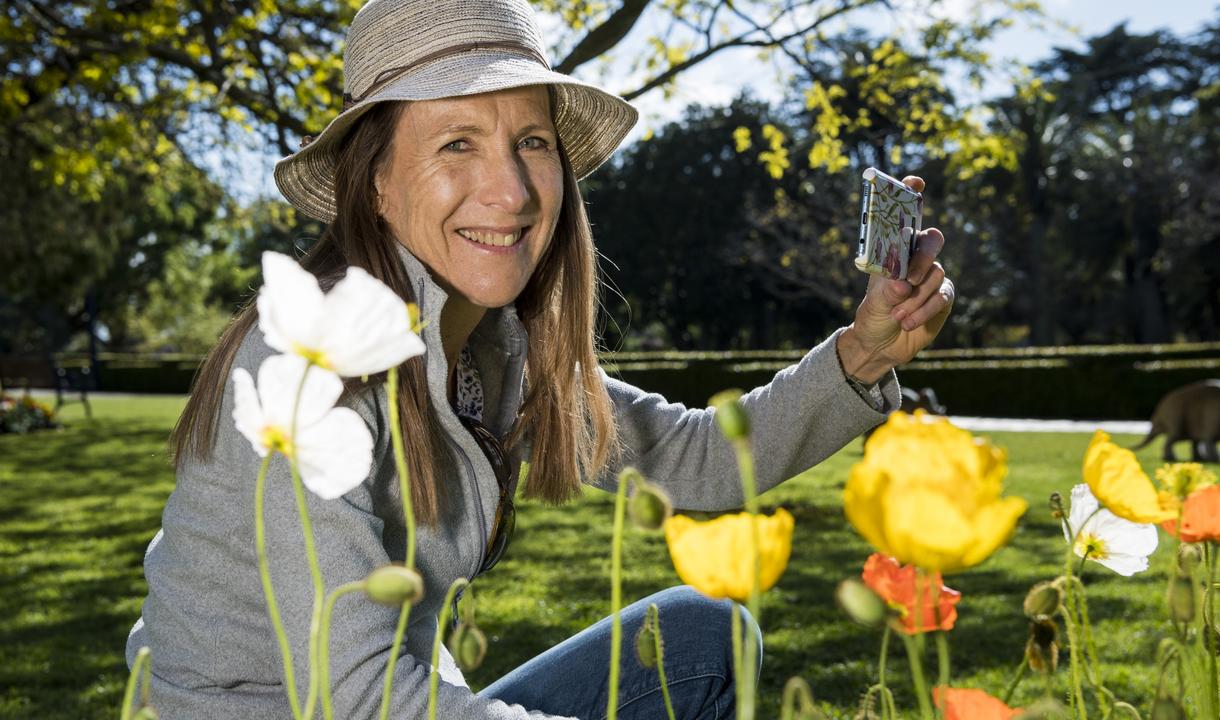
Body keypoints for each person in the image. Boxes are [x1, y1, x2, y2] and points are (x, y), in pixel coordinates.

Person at [124, 0, 955, 717]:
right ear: (375, 183)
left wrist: (861, 353)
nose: (513, 192)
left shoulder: (491, 354)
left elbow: (699, 457)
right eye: (457, 144)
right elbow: (361, 700)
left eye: (531, 141)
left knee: (705, 637)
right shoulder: (306, 365)